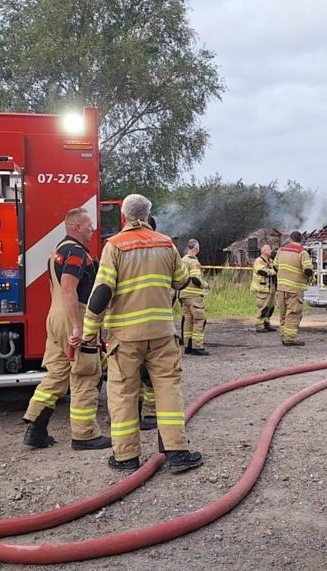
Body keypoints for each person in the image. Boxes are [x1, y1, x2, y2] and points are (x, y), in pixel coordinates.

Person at [81, 194, 203, 473]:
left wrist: (89, 331)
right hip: (162, 334)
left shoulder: (114, 246)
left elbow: (102, 291)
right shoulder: (166, 243)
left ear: (123, 217)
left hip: (125, 336)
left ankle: (126, 457)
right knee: (167, 389)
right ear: (148, 216)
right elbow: (181, 281)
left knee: (123, 392)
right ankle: (176, 452)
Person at [22, 208, 111, 450]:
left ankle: (36, 429)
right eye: (89, 224)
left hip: (55, 316)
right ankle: (85, 435)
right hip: (73, 316)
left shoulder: (58, 251)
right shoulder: (76, 253)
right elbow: (69, 290)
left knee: (57, 373)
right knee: (85, 373)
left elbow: (57, 290)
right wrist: (77, 326)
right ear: (77, 227)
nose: (93, 229)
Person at [274, 231, 314, 346]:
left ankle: (284, 336)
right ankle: (290, 339)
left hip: (281, 288)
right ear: (301, 240)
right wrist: (310, 276)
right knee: (293, 314)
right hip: (295, 289)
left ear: (290, 239)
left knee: (283, 314)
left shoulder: (281, 250)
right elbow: (308, 270)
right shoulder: (302, 253)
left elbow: (275, 266)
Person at [180, 239, 209, 356]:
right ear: (197, 248)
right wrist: (206, 285)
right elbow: (196, 279)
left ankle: (187, 346)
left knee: (188, 320)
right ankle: (197, 346)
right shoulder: (193, 261)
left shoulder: (183, 260)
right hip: (194, 296)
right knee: (199, 319)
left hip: (184, 294)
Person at [251, 243, 277, 333]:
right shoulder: (259, 260)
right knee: (263, 307)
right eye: (269, 249)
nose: (271, 251)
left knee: (270, 307)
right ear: (264, 251)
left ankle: (267, 323)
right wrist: (273, 272)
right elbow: (261, 271)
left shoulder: (270, 261)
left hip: (271, 288)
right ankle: (259, 326)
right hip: (263, 288)